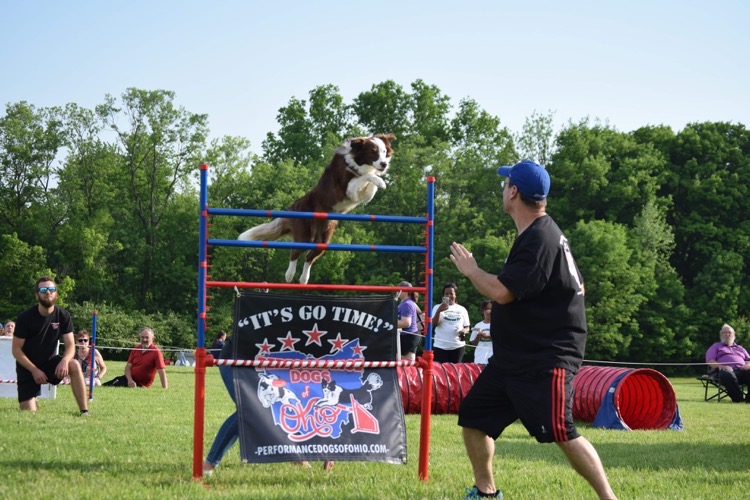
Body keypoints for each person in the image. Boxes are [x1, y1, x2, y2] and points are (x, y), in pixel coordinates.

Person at [448, 160, 616, 499]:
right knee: (474, 419)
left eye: (505, 183)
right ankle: (486, 493)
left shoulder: (540, 238)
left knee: (562, 431)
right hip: (514, 359)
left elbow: (501, 293)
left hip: (545, 359)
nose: (502, 189)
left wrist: (471, 270)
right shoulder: (534, 234)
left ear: (513, 192)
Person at [203, 333, 333, 474]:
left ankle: (297, 457)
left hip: (271, 362)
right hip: (237, 358)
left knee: (289, 405)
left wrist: (330, 449)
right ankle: (209, 464)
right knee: (248, 409)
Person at [11, 276, 89, 415]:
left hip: (50, 364)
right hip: (28, 368)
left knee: (74, 364)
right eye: (43, 289)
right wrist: (34, 370)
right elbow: (16, 350)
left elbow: (71, 345)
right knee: (29, 413)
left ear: (56, 294)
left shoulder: (63, 315)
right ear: (37, 295)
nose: (48, 292)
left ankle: (84, 411)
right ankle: (32, 400)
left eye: (52, 289)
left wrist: (64, 361)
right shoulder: (25, 318)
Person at [102, 327, 168, 388]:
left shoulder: (156, 352)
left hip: (141, 384)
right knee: (106, 385)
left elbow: (161, 371)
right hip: (128, 379)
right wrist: (130, 381)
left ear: (152, 339)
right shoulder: (136, 348)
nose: (144, 339)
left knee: (115, 386)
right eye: (142, 337)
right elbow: (128, 367)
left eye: (147, 337)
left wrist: (165, 389)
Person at [705, 323, 750, 403]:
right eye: (724, 332)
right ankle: (738, 400)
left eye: (729, 332)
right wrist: (723, 367)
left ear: (734, 335)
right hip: (724, 372)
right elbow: (711, 362)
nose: (727, 334)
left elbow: (748, 360)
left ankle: (748, 400)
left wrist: (748, 365)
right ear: (721, 335)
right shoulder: (715, 346)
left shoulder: (740, 348)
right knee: (727, 374)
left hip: (742, 371)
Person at [431, 282, 470, 363]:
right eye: (446, 294)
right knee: (441, 372)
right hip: (440, 346)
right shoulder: (437, 307)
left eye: (451, 293)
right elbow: (434, 324)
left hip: (457, 346)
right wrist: (439, 311)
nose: (449, 296)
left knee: (455, 372)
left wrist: (464, 331)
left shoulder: (462, 309)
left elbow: (467, 327)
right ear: (443, 296)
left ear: (455, 295)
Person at [396, 281, 422, 361]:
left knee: (398, 361)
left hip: (408, 337)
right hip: (412, 336)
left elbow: (406, 323)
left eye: (399, 289)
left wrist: (390, 323)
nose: (397, 291)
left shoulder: (406, 304)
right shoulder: (408, 303)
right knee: (409, 363)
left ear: (405, 291)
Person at [469, 301, 493, 366]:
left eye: (492, 309)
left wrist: (488, 336)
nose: (489, 311)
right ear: (483, 311)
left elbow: (502, 339)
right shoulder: (478, 325)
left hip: (494, 359)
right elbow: (473, 343)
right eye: (487, 309)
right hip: (479, 358)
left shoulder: (499, 324)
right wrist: (478, 336)